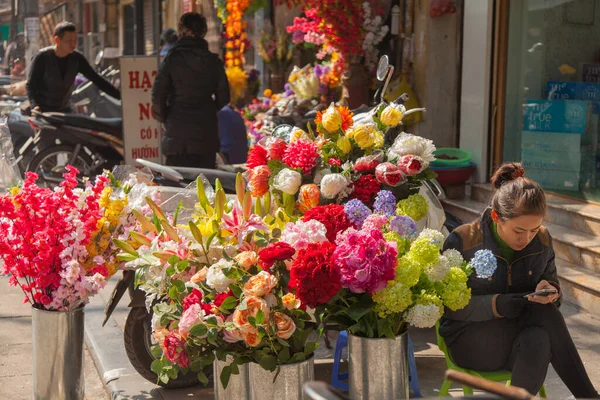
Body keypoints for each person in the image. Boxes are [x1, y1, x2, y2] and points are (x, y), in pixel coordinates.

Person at [440, 162, 599, 398]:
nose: (526, 238)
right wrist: (497, 304)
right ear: (497, 217)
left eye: (534, 229)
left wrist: (551, 291)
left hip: (518, 338)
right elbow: (447, 307)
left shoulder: (542, 240)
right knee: (543, 322)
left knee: (539, 337)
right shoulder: (462, 240)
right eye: (518, 231)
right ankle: (589, 396)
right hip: (471, 339)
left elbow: (553, 296)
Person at [152, 12, 230, 168]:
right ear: (204, 32)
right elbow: (224, 97)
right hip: (205, 135)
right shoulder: (213, 61)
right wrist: (207, 109)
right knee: (205, 187)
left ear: (182, 31)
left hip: (177, 135)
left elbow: (158, 96)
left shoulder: (171, 59)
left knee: (178, 187)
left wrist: (166, 117)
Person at [26, 22, 120, 113]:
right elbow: (31, 85)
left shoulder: (77, 58)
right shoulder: (41, 57)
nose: (73, 44)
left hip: (65, 110)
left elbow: (97, 80)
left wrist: (120, 97)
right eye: (69, 41)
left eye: (75, 40)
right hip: (43, 112)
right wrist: (35, 105)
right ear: (57, 40)